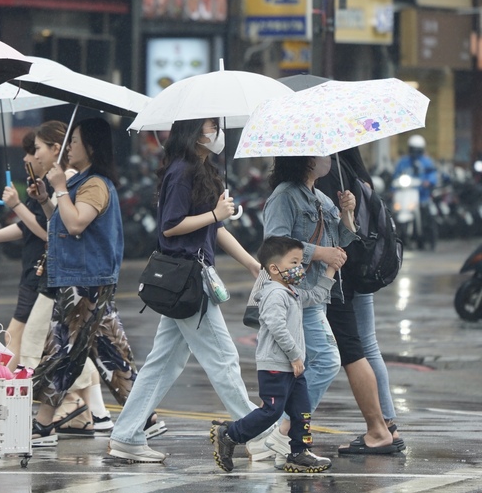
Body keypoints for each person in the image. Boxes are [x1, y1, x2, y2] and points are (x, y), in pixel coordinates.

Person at [107, 118, 272, 463]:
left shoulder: (200, 169)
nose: (216, 133)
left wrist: (251, 263)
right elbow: (170, 227)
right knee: (223, 358)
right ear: (195, 132)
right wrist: (214, 213)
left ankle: (125, 434)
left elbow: (216, 230)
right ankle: (257, 434)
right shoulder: (182, 171)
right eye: (212, 127)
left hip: (190, 278)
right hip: (188, 280)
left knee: (163, 363)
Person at [261, 156, 394, 462]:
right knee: (327, 360)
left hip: (315, 297)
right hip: (294, 295)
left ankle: (273, 433)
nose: (327, 158)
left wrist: (347, 215)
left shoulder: (320, 197)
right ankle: (284, 431)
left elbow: (342, 240)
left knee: (301, 368)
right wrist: (319, 253)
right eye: (320, 153)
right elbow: (274, 244)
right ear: (306, 161)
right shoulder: (284, 196)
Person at [29, 117, 144, 446]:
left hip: (85, 279)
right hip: (83, 277)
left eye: (74, 141)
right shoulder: (82, 182)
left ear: (90, 147)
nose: (69, 148)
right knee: (106, 349)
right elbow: (61, 224)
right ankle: (143, 417)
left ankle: (43, 424)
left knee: (62, 349)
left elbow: (77, 223)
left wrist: (61, 188)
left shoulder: (93, 184)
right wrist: (45, 199)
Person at [212, 236, 339, 473]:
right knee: (272, 411)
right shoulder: (274, 294)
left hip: (293, 366)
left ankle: (298, 453)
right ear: (273, 268)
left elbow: (317, 296)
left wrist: (331, 269)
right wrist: (294, 355)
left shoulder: (292, 292)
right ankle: (229, 435)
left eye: (301, 263)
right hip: (277, 365)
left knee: (302, 410)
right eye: (294, 263)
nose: (299, 269)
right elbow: (275, 325)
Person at [316, 148, 405, 452]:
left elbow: (330, 228)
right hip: (362, 267)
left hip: (343, 271)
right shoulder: (355, 170)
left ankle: (382, 426)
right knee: (368, 344)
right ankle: (387, 423)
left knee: (353, 349)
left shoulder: (330, 171)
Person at [0, 124, 63, 369]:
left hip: (41, 272)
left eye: (33, 150)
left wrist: (16, 205)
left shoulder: (55, 186)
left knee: (17, 335)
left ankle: (2, 394)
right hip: (33, 271)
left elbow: (47, 232)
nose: (26, 157)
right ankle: (80, 404)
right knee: (46, 342)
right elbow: (25, 227)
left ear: (54, 150)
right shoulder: (40, 186)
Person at [392, 134, 438, 248]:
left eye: (417, 150)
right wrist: (392, 188)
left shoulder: (426, 162)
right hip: (405, 194)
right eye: (413, 149)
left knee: (426, 211)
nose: (415, 152)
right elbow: (396, 175)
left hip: (421, 195)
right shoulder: (403, 162)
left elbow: (432, 174)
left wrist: (428, 182)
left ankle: (427, 235)